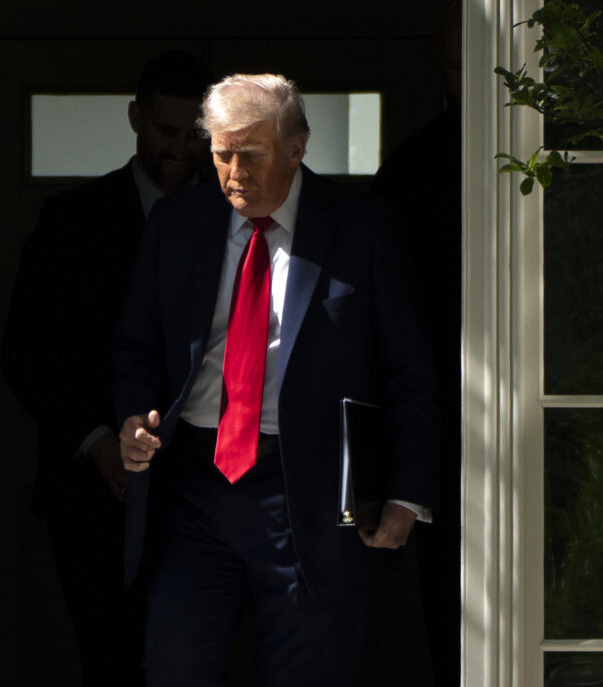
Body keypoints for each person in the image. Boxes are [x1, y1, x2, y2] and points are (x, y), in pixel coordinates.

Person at [114, 73, 439, 687]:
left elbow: (408, 370)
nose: (234, 173)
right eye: (222, 155)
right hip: (194, 486)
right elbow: (136, 346)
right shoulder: (177, 222)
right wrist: (134, 416)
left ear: (297, 147)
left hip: (309, 487)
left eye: (252, 155)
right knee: (176, 667)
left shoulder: (363, 227)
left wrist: (406, 493)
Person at [2, 49, 213, 686]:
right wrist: (95, 440)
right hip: (93, 494)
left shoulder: (235, 220)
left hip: (207, 492)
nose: (181, 151)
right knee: (109, 662)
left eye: (195, 136)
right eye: (167, 131)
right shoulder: (71, 221)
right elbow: (26, 352)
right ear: (136, 118)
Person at [371, 5, 462, 684]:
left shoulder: (573, 163)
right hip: (439, 429)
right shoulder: (409, 174)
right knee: (449, 613)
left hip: (567, 415)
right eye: (460, 67)